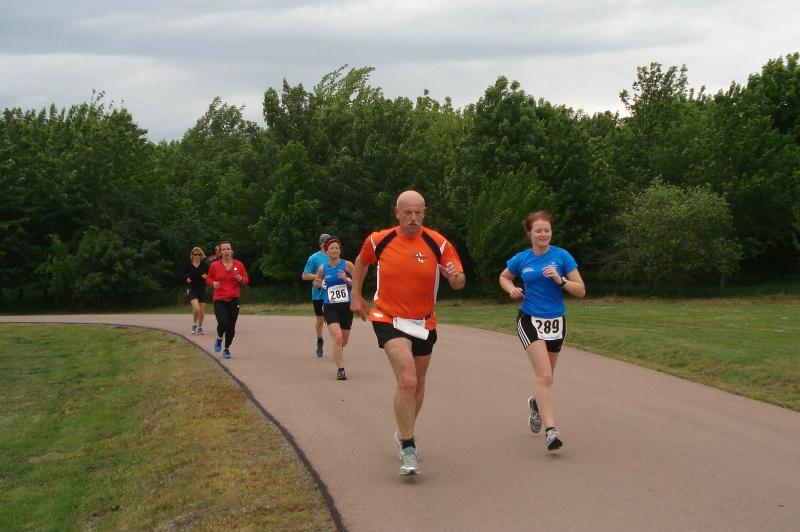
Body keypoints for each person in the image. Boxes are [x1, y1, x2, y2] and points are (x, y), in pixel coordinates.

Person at [351, 190, 465, 476]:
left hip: (423, 322)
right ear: (397, 213)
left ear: (424, 213)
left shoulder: (438, 243)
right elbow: (362, 262)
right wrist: (356, 295)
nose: (413, 218)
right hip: (387, 317)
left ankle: (404, 428)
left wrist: (454, 277)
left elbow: (459, 282)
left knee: (419, 383)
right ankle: (408, 445)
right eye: (407, 212)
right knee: (408, 379)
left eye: (418, 212)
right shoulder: (379, 240)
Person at [498, 210, 586, 452]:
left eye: (547, 230)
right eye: (538, 230)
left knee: (547, 377)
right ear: (530, 234)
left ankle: (536, 405)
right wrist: (511, 289)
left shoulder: (562, 256)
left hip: (556, 321)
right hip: (529, 319)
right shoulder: (522, 259)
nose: (543, 234)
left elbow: (581, 290)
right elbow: (504, 277)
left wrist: (561, 280)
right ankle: (551, 431)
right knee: (545, 376)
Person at [313, 236, 354, 380]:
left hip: (346, 307)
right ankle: (341, 370)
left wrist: (347, 280)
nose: (335, 250)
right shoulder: (322, 268)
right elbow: (316, 282)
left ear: (340, 250)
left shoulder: (347, 265)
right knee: (337, 338)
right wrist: (319, 284)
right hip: (330, 307)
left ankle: (338, 350)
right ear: (327, 251)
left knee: (344, 341)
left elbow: (357, 282)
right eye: (332, 248)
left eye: (337, 248)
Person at [206, 240, 250, 360]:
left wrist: (241, 279)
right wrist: (213, 283)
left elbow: (246, 280)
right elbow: (209, 278)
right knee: (223, 323)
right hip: (219, 298)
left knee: (231, 326)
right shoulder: (214, 266)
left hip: (234, 299)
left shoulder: (239, 265)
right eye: (223, 249)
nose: (226, 251)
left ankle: (226, 349)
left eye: (228, 249)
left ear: (231, 251)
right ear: (220, 252)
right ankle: (219, 338)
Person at [302, 233, 330, 357]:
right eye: (325, 243)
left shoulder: (335, 256)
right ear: (321, 244)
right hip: (318, 294)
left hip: (332, 294)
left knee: (334, 320)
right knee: (320, 319)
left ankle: (337, 344)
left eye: (329, 242)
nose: (327, 246)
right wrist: (318, 276)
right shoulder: (314, 258)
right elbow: (305, 275)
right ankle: (319, 340)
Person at [184, 246, 209, 335]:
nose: (197, 256)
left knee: (201, 310)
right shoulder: (188, 265)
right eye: (195, 254)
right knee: (197, 308)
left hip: (202, 289)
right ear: (192, 255)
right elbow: (184, 275)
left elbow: (211, 275)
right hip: (192, 289)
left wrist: (206, 276)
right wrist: (187, 279)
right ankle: (194, 324)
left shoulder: (205, 265)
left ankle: (200, 327)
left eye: (199, 254)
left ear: (201, 255)